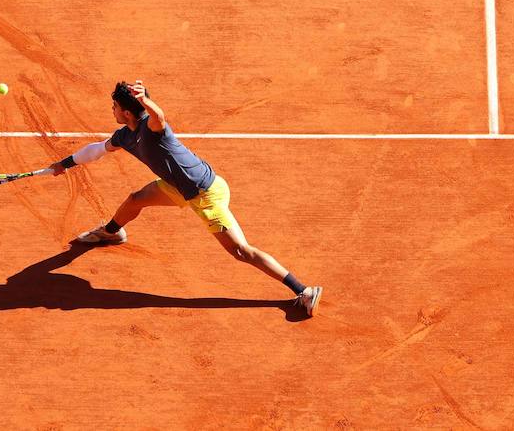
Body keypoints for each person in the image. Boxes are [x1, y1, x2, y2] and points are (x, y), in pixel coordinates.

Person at [48, 80, 322, 318]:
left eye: (115, 107)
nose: (112, 110)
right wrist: (64, 163)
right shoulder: (124, 135)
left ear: (127, 112)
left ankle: (304, 291)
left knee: (241, 251)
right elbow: (97, 150)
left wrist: (148, 101)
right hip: (176, 186)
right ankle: (111, 233)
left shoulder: (152, 128)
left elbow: (160, 117)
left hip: (205, 194)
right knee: (136, 199)